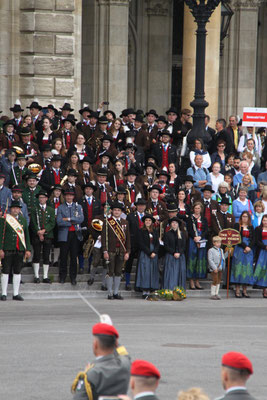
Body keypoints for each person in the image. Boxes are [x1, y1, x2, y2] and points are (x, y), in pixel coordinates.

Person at [72, 322, 131, 400]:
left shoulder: (91, 374)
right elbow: (124, 354)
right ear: (116, 343)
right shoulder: (125, 364)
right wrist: (109, 329)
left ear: (95, 344)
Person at [0, 200, 31, 301]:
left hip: (19, 250)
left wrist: (28, 249)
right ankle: (4, 293)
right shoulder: (4, 219)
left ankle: (16, 293)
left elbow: (26, 235)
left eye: (17, 208)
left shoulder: (23, 220)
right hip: (7, 249)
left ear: (19, 209)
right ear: (10, 209)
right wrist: (0, 249)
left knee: (17, 271)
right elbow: (1, 236)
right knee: (5, 271)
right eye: (13, 208)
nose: (15, 210)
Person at [101, 201, 131, 299]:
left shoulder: (125, 222)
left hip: (121, 251)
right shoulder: (107, 222)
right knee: (110, 271)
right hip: (111, 250)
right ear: (112, 211)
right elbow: (104, 238)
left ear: (121, 212)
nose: (117, 212)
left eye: (118, 210)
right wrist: (105, 251)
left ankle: (116, 292)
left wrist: (128, 251)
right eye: (115, 210)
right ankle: (110, 293)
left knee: (118, 272)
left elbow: (128, 239)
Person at [57, 188, 84, 285]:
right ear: (64, 196)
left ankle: (73, 277)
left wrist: (68, 219)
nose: (69, 197)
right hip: (64, 234)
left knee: (74, 256)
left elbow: (81, 219)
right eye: (67, 195)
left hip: (75, 234)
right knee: (63, 256)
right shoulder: (60, 207)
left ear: (73, 197)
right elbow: (59, 222)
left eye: (71, 195)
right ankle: (62, 276)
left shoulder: (78, 206)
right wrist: (72, 221)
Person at [30, 190, 55, 283]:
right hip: (36, 235)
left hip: (48, 235)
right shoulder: (34, 209)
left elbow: (52, 223)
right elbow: (33, 222)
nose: (42, 199)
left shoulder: (51, 210)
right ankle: (36, 276)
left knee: (46, 255)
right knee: (36, 254)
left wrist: (44, 231)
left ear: (46, 199)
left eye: (43, 197)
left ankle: (45, 276)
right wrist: (38, 232)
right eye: (40, 198)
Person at [231, 211, 254, 298]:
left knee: (246, 269)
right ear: (241, 217)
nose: (245, 218)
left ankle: (244, 290)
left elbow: (253, 239)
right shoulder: (237, 226)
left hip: (249, 250)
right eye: (243, 216)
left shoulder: (251, 227)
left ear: (248, 218)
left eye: (246, 217)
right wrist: (244, 247)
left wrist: (249, 247)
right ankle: (237, 290)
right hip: (239, 248)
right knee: (238, 268)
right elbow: (237, 238)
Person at [125, 198, 147, 290]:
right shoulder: (130, 216)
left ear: (145, 207)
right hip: (133, 242)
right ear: (136, 206)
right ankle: (127, 282)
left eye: (143, 205)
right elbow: (127, 230)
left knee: (142, 263)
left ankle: (141, 282)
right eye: (139, 205)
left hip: (144, 244)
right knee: (129, 263)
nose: (141, 207)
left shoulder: (148, 216)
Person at [136, 214, 159, 299]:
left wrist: (155, 252)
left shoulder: (155, 231)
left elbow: (157, 243)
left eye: (149, 220)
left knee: (152, 271)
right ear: (144, 222)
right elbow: (140, 243)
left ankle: (151, 290)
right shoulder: (141, 231)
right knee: (145, 271)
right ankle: (144, 291)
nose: (148, 222)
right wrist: (149, 253)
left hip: (154, 253)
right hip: (145, 253)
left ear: (152, 222)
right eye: (146, 220)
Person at [187, 202, 208, 290]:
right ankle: (191, 281)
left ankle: (197, 281)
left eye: (199, 208)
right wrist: (194, 237)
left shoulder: (204, 219)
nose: (197, 210)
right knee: (192, 259)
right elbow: (189, 229)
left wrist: (201, 237)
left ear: (201, 209)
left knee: (200, 259)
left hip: (201, 240)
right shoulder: (190, 218)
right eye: (196, 208)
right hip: (193, 240)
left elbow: (206, 230)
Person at [163, 216, 186, 290]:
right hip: (170, 256)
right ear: (170, 224)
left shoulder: (182, 234)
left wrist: (179, 252)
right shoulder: (167, 234)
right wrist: (173, 253)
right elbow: (166, 246)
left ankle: (179, 291)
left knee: (180, 273)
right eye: (173, 223)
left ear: (178, 224)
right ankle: (170, 290)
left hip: (180, 257)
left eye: (176, 223)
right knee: (171, 274)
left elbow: (184, 245)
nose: (174, 224)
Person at [253, 214, 267, 298]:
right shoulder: (258, 229)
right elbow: (257, 240)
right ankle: (264, 289)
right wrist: (264, 246)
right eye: (264, 220)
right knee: (262, 269)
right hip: (262, 251)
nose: (265, 222)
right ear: (262, 221)